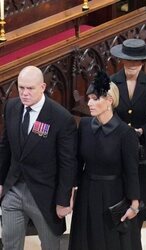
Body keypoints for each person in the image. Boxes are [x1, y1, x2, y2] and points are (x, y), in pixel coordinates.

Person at [0, 66, 77, 250]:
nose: (24, 93)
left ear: (42, 87)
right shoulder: (11, 106)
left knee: (50, 245)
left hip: (45, 195)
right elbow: (5, 147)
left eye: (30, 88)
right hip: (13, 189)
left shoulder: (61, 118)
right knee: (10, 244)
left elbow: (68, 163)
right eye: (21, 88)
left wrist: (63, 200)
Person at [68, 71, 141, 250]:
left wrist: (134, 204)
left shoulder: (126, 133)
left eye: (95, 99)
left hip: (113, 194)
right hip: (87, 191)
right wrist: (69, 192)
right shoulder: (84, 126)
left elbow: (131, 171)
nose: (90, 103)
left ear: (109, 101)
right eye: (89, 99)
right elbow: (77, 163)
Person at [110, 38, 146, 250]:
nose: (132, 66)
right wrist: (121, 130)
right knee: (120, 192)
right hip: (117, 145)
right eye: (127, 62)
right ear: (122, 61)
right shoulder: (112, 82)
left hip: (144, 147)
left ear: (143, 62)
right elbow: (107, 111)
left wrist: (145, 129)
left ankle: (136, 239)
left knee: (142, 194)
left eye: (136, 62)